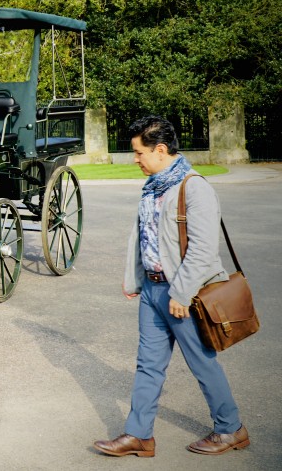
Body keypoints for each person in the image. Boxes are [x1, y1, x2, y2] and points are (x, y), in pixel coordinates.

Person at [93, 115, 248, 458]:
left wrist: (182, 292)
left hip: (183, 294)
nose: (135, 159)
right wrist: (137, 278)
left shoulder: (194, 187)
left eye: (138, 152)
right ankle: (139, 435)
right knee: (148, 364)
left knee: (202, 363)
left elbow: (204, 248)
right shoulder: (153, 186)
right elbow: (146, 238)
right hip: (152, 291)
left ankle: (231, 429)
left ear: (160, 150)